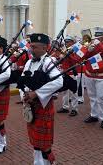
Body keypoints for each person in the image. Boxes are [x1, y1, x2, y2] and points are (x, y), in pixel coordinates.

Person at [21, 33, 63, 165]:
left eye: (35, 47)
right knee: (34, 138)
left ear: (45, 48)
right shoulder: (28, 62)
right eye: (31, 46)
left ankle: (50, 162)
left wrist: (36, 93)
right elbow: (22, 80)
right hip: (30, 104)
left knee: (44, 143)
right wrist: (25, 95)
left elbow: (59, 82)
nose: (31, 49)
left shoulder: (49, 62)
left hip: (42, 106)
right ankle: (38, 162)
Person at [83, 27, 103, 129]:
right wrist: (88, 50)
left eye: (100, 35)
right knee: (92, 96)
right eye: (96, 35)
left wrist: (99, 45)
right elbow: (84, 57)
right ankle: (94, 115)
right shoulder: (92, 44)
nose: (97, 37)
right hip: (90, 73)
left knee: (102, 97)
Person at [57, 35, 83, 116]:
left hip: (73, 73)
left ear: (73, 42)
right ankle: (65, 107)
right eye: (66, 41)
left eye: (68, 41)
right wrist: (60, 58)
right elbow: (63, 61)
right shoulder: (65, 49)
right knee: (64, 91)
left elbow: (77, 60)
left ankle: (74, 109)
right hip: (65, 72)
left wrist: (68, 54)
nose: (66, 43)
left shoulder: (77, 49)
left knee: (73, 92)